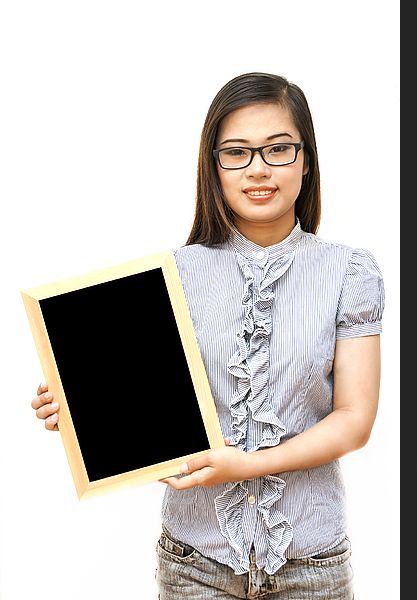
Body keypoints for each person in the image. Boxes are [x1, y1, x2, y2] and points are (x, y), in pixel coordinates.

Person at [31, 72, 385, 599]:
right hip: (194, 563)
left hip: (312, 564)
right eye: (236, 153)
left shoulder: (350, 272)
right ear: (212, 165)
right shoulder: (173, 274)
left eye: (278, 149)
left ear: (306, 159)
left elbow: (354, 420)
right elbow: (144, 406)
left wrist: (251, 464)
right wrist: (79, 408)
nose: (258, 169)